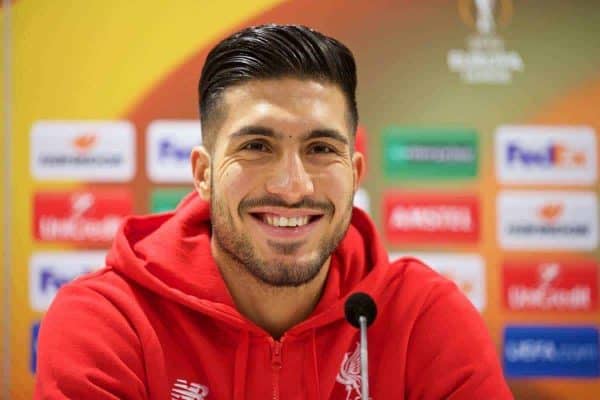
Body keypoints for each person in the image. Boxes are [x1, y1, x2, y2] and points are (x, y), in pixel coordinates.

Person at [35, 24, 513, 399]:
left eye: (321, 148)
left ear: (355, 172)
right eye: (257, 146)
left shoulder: (423, 317)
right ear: (203, 173)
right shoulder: (107, 322)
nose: (292, 187)